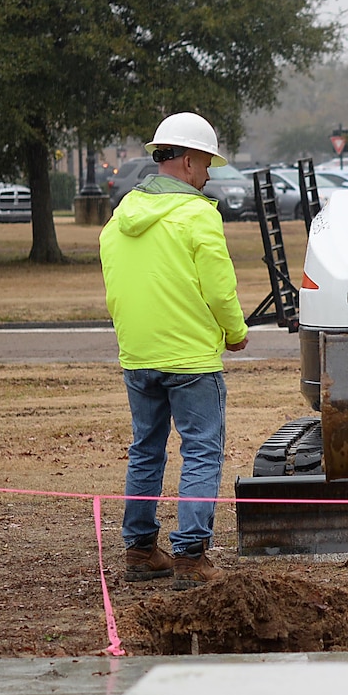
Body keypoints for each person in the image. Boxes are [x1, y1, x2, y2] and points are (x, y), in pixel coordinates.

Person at [99, 112, 249, 589]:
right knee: (202, 451)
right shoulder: (198, 214)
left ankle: (140, 550)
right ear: (187, 162)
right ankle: (190, 555)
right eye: (206, 164)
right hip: (190, 359)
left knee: (146, 449)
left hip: (138, 355)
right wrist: (235, 331)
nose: (208, 175)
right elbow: (220, 290)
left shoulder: (121, 216)